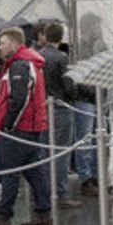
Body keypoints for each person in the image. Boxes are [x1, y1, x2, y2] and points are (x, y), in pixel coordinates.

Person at [0, 27, 52, 225]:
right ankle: (43, 211)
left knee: (10, 173)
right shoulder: (29, 63)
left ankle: (3, 217)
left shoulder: (19, 66)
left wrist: (8, 125)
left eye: (3, 44)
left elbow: (19, 99)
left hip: (19, 128)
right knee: (34, 171)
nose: (0, 48)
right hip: (30, 127)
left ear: (14, 43)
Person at [36, 23, 79, 207]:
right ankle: (61, 193)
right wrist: (72, 96)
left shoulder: (37, 56)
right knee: (61, 151)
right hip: (60, 108)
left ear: (45, 36)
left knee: (45, 151)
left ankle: (44, 192)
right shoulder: (62, 57)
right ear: (61, 38)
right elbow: (69, 85)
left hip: (42, 107)